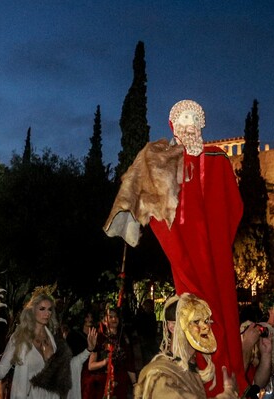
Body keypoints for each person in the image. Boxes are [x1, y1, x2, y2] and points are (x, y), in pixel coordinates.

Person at [105, 99, 245, 396]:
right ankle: (206, 372)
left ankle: (224, 376)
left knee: (220, 304)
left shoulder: (217, 159)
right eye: (181, 118)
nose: (188, 123)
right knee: (193, 302)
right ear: (172, 126)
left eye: (194, 118)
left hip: (213, 245)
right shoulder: (162, 159)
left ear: (202, 125)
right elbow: (142, 185)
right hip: (181, 242)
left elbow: (232, 206)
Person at [0, 286, 97, 399]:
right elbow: (0, 374)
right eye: (42, 309)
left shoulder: (52, 339)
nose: (47, 313)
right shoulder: (19, 338)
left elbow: (67, 368)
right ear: (32, 310)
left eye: (50, 309)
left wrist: (88, 350)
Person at [134, 293, 238, 398]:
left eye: (206, 321)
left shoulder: (194, 369)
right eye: (196, 321)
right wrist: (228, 394)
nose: (206, 327)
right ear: (172, 327)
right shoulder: (159, 375)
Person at [84, 304, 136, 399]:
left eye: (116, 317)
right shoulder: (99, 338)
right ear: (104, 321)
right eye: (110, 317)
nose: (114, 319)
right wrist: (105, 362)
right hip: (103, 383)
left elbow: (129, 364)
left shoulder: (124, 338)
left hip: (120, 382)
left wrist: (135, 384)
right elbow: (91, 366)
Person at [239, 320, 272, 398]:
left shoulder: (250, 360)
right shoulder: (233, 353)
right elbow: (237, 378)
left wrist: (266, 354)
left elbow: (259, 384)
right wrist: (248, 344)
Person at [134, 298, 159, 368]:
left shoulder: (152, 315)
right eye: (147, 305)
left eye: (150, 306)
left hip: (151, 338)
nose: (148, 307)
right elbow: (138, 327)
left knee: (154, 354)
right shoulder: (141, 315)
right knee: (145, 356)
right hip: (144, 339)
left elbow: (154, 327)